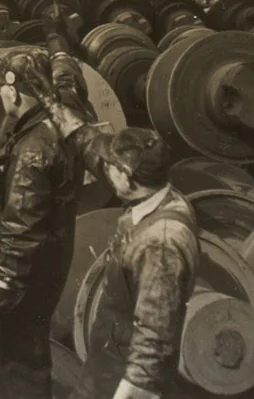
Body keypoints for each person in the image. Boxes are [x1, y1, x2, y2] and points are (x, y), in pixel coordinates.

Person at [0, 47, 85, 398]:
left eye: (1, 87)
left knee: (12, 368)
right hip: (46, 271)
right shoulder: (65, 118)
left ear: (13, 91)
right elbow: (71, 82)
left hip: (20, 284)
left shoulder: (33, 151)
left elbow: (21, 234)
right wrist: (59, 45)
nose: (0, 94)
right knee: (22, 360)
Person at [71, 128, 199, 399]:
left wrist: (132, 391)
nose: (106, 170)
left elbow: (155, 333)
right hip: (111, 352)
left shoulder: (161, 244)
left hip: (123, 371)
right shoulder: (159, 196)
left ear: (128, 177)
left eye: (112, 167)